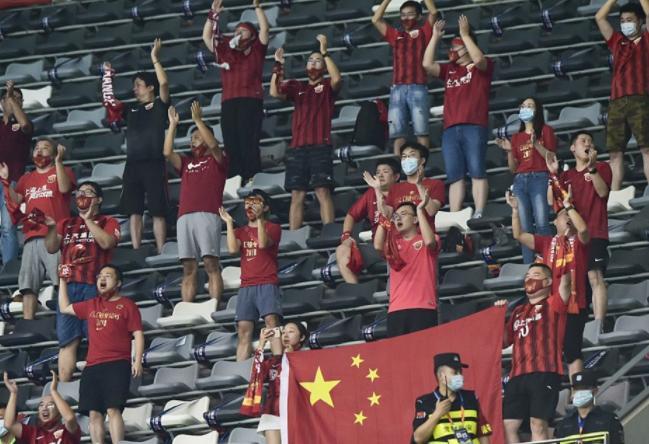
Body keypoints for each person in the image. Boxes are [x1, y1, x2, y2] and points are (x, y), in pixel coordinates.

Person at [43, 181, 120, 382]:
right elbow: (51, 247)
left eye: (88, 192)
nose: (82, 196)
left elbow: (107, 242)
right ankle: (64, 387)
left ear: (99, 199)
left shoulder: (108, 221)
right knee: (67, 341)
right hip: (67, 287)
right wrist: (50, 228)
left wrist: (88, 221)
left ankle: (98, 383)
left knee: (97, 337)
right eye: (79, 193)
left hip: (94, 286)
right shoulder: (65, 223)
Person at [508, 187, 590, 378]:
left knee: (572, 350)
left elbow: (584, 229)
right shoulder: (547, 243)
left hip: (574, 305)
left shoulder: (580, 241)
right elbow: (518, 235)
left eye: (570, 214)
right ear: (554, 222)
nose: (567, 217)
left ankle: (577, 389)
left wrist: (568, 206)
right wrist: (515, 210)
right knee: (550, 350)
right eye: (563, 215)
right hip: (552, 307)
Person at [58, 265, 143, 444]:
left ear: (118, 283)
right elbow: (64, 307)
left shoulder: (127, 305)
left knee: (113, 409)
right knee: (94, 413)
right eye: (100, 276)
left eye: (108, 276)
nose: (102, 279)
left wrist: (137, 360)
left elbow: (137, 333)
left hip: (117, 363)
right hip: (92, 366)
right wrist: (63, 281)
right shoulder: (92, 304)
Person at [100, 38, 169, 253]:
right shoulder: (130, 109)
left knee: (158, 210)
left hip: (154, 163)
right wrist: (107, 77)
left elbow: (164, 84)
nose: (135, 89)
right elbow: (110, 102)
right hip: (133, 164)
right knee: (134, 211)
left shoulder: (159, 105)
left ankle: (161, 251)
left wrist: (155, 59)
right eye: (134, 86)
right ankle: (136, 250)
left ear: (150, 87)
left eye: (138, 85)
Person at [423, 17, 494, 218]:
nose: (452, 50)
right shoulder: (450, 69)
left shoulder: (482, 66)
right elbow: (427, 64)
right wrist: (435, 37)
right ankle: (455, 215)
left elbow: (478, 59)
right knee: (455, 175)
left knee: (477, 170)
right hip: (450, 128)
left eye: (456, 46)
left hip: (474, 125)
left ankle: (479, 211)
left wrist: (465, 35)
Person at [269, 35, 342, 230]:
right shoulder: (297, 87)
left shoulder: (327, 87)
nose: (313, 62)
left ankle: (329, 232)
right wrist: (278, 65)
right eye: (310, 60)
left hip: (320, 146)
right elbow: (274, 92)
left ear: (324, 66)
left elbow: (337, 78)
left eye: (317, 60)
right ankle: (294, 235)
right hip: (297, 148)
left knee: (322, 191)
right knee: (296, 195)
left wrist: (325, 52)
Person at [495, 263, 572, 443]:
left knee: (538, 424)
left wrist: (565, 256)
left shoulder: (554, 303)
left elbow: (567, 283)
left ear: (548, 281)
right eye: (527, 276)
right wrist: (499, 316)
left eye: (535, 275)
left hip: (544, 371)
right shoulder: (517, 311)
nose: (529, 279)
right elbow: (504, 342)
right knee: (508, 426)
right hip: (517, 375)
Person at [0, 139, 75, 320]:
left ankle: (66, 321)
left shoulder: (64, 170)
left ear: (54, 152)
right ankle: (28, 323)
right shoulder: (26, 178)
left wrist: (58, 162)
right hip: (30, 237)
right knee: (28, 287)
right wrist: (6, 180)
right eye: (37, 148)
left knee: (62, 282)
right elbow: (15, 201)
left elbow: (65, 187)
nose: (39, 151)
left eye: (45, 147)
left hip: (56, 236)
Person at [164, 102, 226, 303]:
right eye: (191, 139)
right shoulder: (186, 163)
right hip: (184, 216)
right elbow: (167, 153)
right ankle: (187, 308)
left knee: (211, 264)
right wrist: (173, 125)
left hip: (207, 213)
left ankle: (214, 307)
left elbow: (214, 146)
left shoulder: (217, 160)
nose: (193, 141)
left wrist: (198, 121)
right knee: (188, 267)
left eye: (198, 137)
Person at [202, 0, 269, 183]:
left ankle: (252, 178)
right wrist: (213, 14)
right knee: (231, 143)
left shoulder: (256, 50)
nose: (238, 32)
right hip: (229, 102)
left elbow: (265, 30)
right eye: (237, 30)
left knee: (249, 141)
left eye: (243, 30)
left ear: (252, 36)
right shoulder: (225, 51)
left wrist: (257, 8)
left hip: (251, 100)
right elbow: (206, 37)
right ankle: (235, 179)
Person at [550, 131, 612, 327]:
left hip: (595, 232)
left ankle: (599, 326)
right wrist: (553, 174)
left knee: (595, 276)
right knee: (576, 283)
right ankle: (581, 327)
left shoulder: (602, 167)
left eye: (591, 141)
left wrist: (592, 169)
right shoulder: (566, 176)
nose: (588, 144)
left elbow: (603, 192)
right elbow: (553, 202)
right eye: (583, 141)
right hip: (572, 238)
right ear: (572, 148)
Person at [219, 190, 282, 361]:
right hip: (246, 285)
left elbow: (262, 244)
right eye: (248, 202)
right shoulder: (241, 231)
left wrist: (260, 218)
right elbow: (232, 250)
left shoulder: (273, 227)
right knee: (243, 330)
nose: (251, 206)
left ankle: (278, 365)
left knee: (272, 323)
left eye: (256, 202)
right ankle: (241, 369)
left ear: (265, 207)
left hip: (267, 282)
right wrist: (229, 224)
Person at [595, 0, 649, 190]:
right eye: (622, 20)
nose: (625, 24)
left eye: (630, 20)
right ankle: (615, 197)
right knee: (615, 153)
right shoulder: (617, 42)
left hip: (640, 99)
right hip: (616, 102)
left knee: (646, 149)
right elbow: (599, 17)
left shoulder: (647, 39)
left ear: (640, 21)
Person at [371, 0, 437, 155]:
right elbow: (375, 19)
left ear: (419, 16)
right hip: (397, 88)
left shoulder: (424, 33)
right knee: (397, 134)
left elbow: (433, 12)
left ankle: (423, 164)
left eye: (410, 14)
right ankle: (397, 167)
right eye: (403, 15)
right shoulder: (396, 35)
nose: (406, 18)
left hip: (418, 86)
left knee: (421, 131)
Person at [495, 97, 556, 263]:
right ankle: (529, 266)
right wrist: (509, 151)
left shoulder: (546, 130)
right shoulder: (516, 137)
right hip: (520, 180)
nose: (525, 109)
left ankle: (550, 262)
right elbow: (513, 168)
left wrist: (536, 144)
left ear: (537, 110)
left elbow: (551, 158)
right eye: (523, 106)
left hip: (540, 177)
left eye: (530, 106)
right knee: (524, 228)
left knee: (542, 223)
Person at [374, 188, 440, 337]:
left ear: (415, 219)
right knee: (398, 352)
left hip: (423, 308)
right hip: (396, 310)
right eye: (396, 216)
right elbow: (377, 246)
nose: (398, 218)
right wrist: (385, 218)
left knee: (423, 351)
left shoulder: (428, 239)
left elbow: (430, 242)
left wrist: (420, 210)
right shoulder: (392, 244)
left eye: (403, 214)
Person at [335, 158, 401, 284]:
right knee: (342, 250)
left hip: (399, 246)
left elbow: (386, 214)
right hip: (377, 248)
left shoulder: (403, 191)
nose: (380, 175)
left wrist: (378, 190)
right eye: (378, 172)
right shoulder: (370, 193)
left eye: (385, 171)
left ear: (396, 176)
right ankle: (354, 288)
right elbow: (351, 215)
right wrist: (346, 236)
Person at [242, 322, 308, 444]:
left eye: (291, 331)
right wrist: (261, 343)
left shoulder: (308, 360)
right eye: (283, 332)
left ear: (302, 337)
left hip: (297, 413)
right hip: (272, 412)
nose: (286, 335)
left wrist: (291, 356)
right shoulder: (274, 362)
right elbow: (257, 374)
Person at [413, 353, 492, 444]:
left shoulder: (471, 398)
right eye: (455, 373)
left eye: (460, 372)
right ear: (441, 377)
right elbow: (418, 439)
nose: (460, 376)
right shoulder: (425, 402)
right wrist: (437, 414)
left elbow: (483, 433)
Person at [0, 80, 32, 265]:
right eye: (10, 98)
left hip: (11, 181)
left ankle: (9, 267)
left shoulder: (23, 125)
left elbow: (24, 123)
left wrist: (10, 95)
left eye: (18, 99)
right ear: (2, 102)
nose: (14, 101)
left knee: (7, 225)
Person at [2, 371, 80, 444]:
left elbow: (70, 418)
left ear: (59, 411)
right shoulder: (33, 433)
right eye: (41, 405)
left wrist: (54, 391)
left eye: (50, 405)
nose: (44, 408)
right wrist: (13, 393)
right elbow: (9, 424)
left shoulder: (67, 430)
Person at [554, 370, 625, 444]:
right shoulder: (563, 424)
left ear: (595, 391)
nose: (580, 392)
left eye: (584, 388)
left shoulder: (609, 420)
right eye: (576, 389)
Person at [385, 141, 445, 226]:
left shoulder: (436, 184)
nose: (407, 159)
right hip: (399, 234)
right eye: (404, 156)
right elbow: (387, 217)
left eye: (412, 155)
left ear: (422, 160)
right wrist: (377, 190)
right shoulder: (395, 188)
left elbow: (432, 211)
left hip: (424, 233)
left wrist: (419, 185)